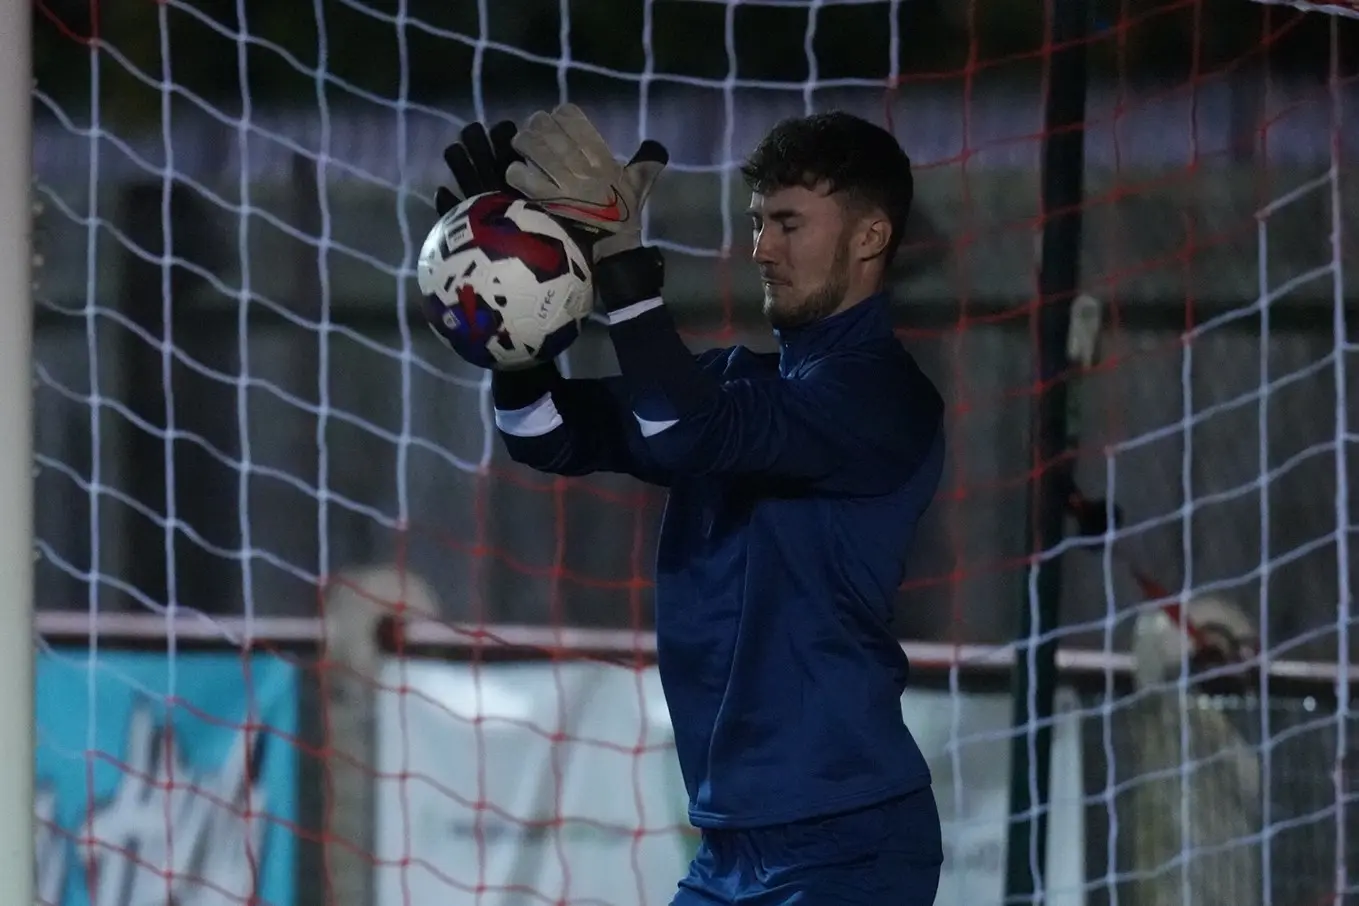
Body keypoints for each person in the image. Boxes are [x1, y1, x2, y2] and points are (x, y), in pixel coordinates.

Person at [436, 107, 946, 905]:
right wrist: (505, 297)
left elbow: (680, 431)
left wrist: (620, 261)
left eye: (788, 224)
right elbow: (542, 432)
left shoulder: (882, 399)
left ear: (869, 237)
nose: (762, 249)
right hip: (728, 849)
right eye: (758, 222)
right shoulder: (741, 386)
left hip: (848, 844)